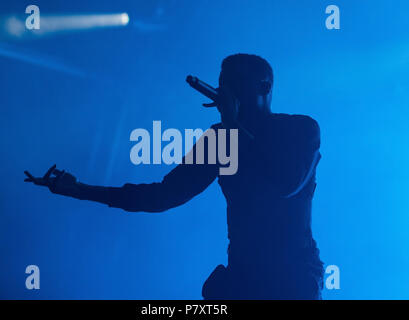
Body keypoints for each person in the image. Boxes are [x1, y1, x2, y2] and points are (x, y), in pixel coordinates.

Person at [24, 53, 324, 299]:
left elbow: (286, 184)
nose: (225, 94)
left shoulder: (300, 130)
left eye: (235, 85)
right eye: (223, 86)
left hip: (292, 279)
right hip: (245, 278)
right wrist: (81, 190)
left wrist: (233, 126)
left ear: (264, 87)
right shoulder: (219, 140)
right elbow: (162, 195)